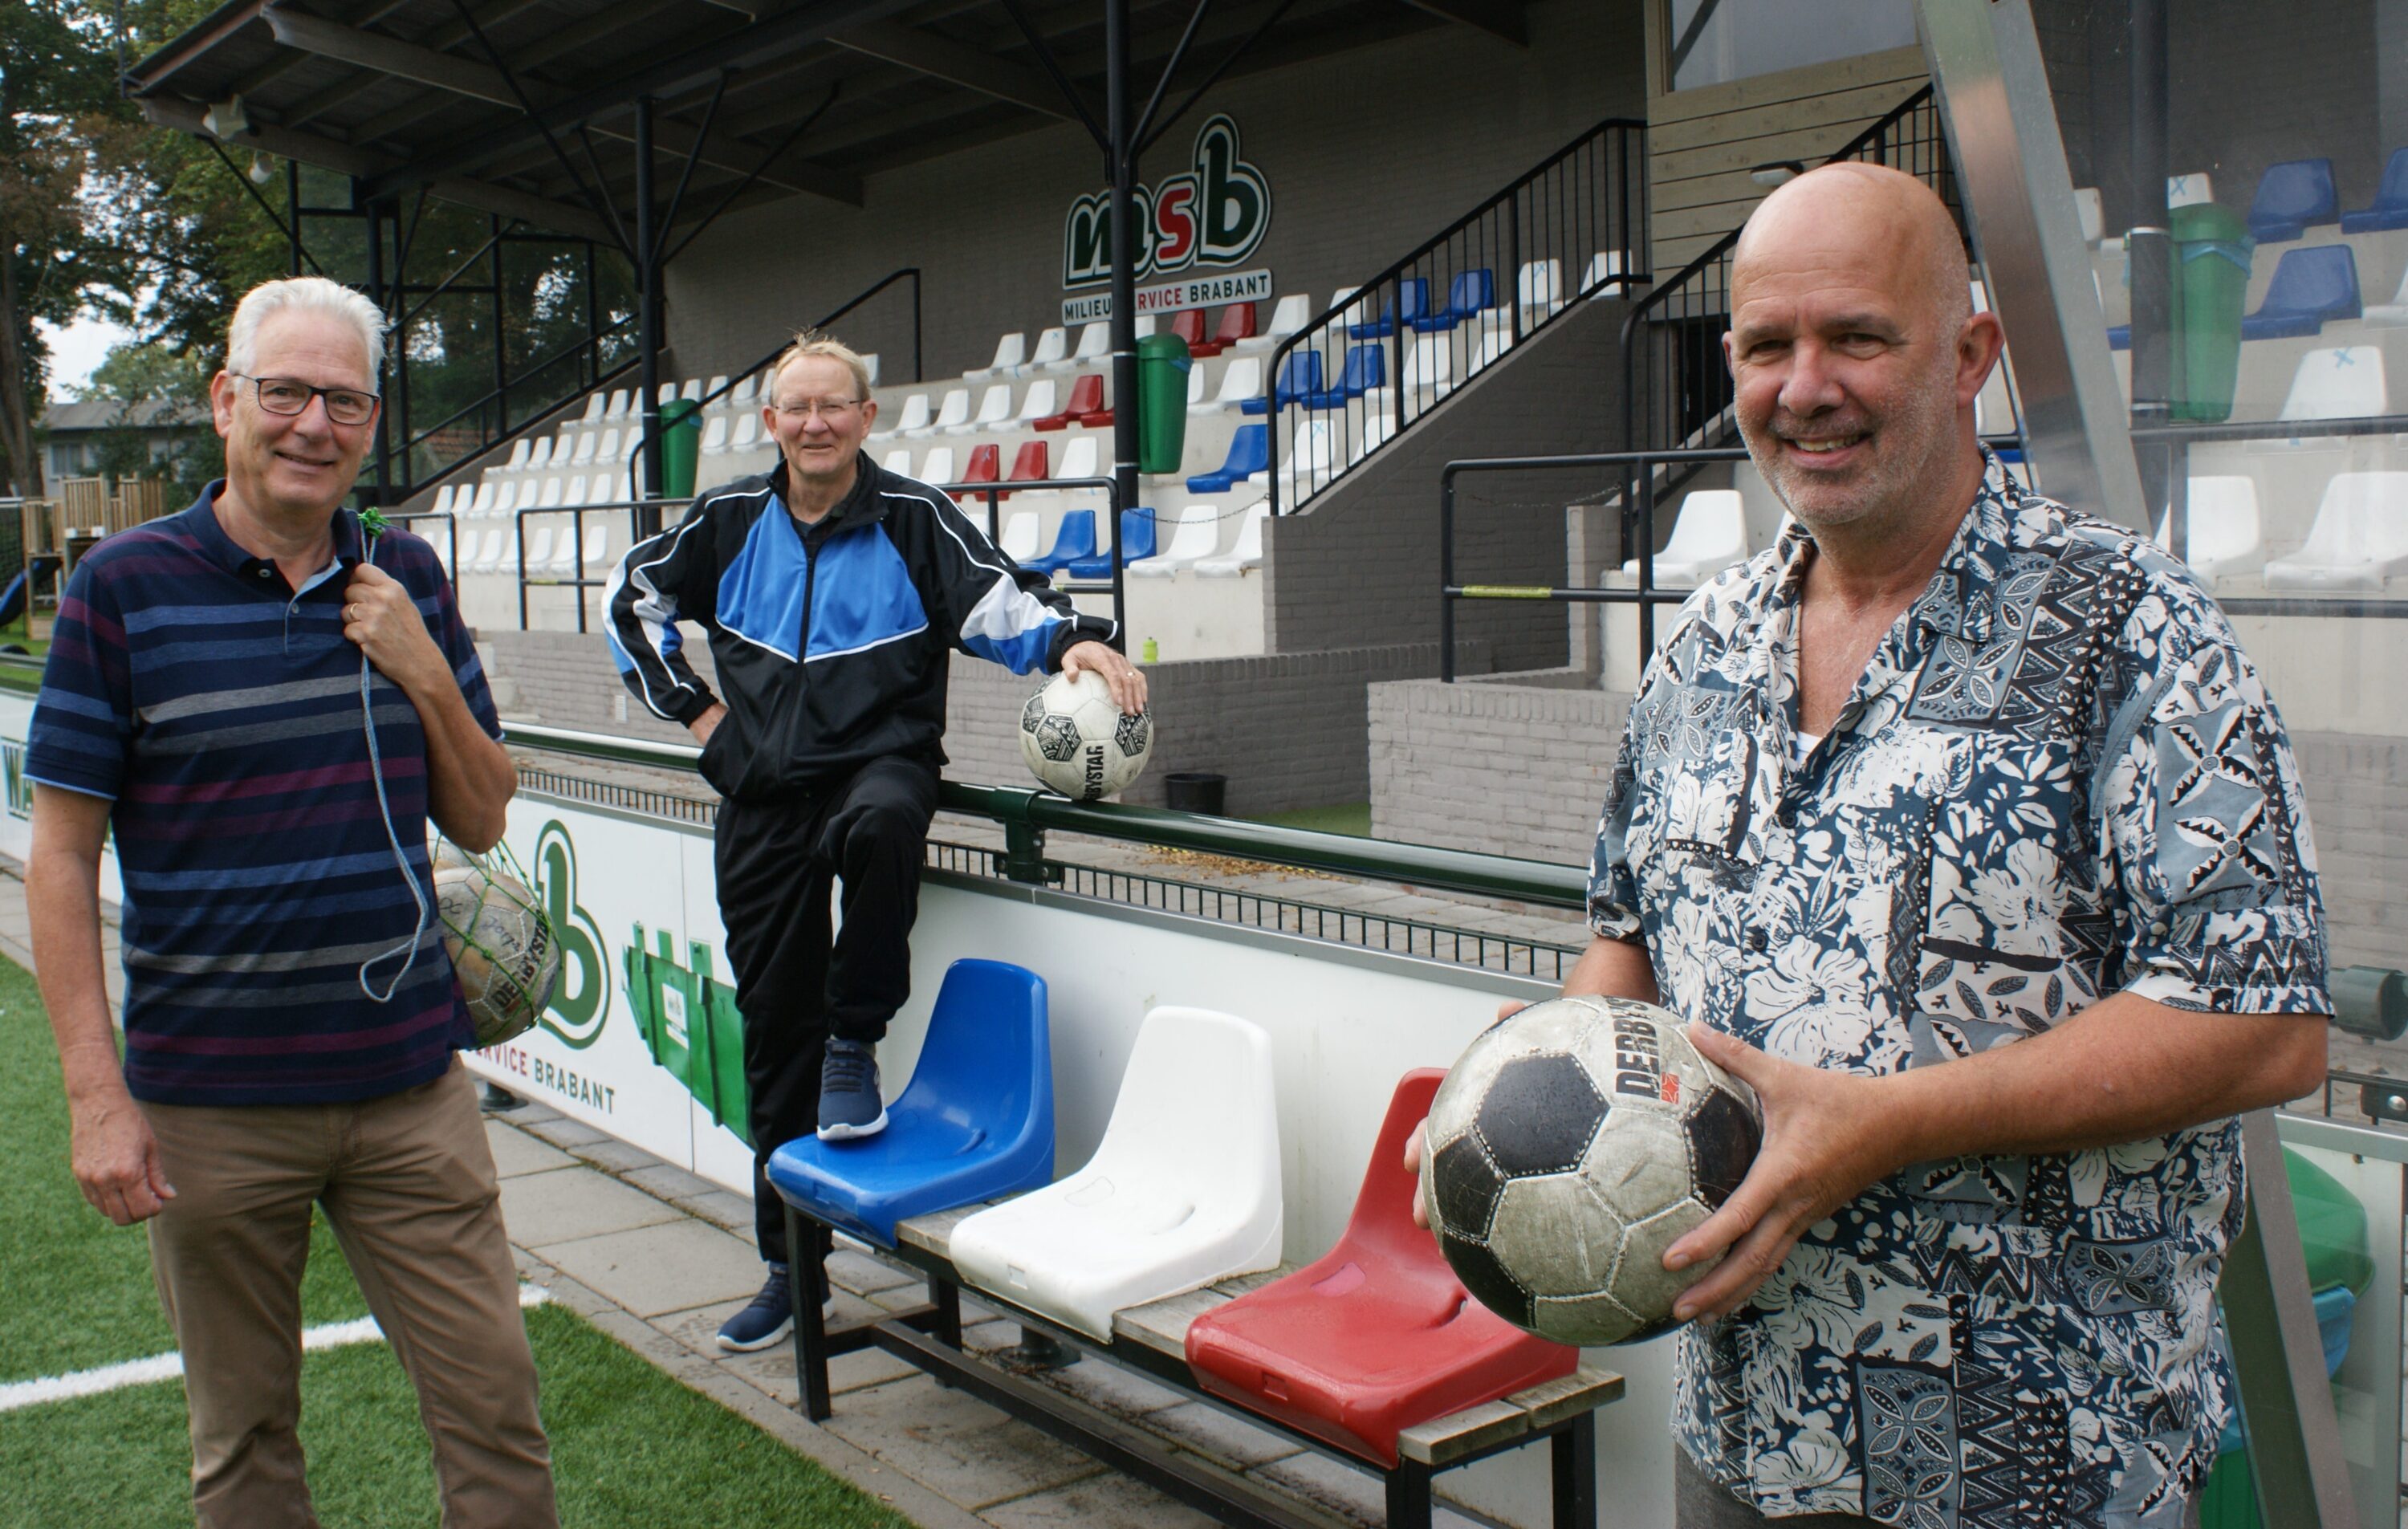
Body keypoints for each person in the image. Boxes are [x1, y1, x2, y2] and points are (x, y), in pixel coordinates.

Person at [1421, 163, 2329, 1527]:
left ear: (1969, 357)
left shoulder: (2130, 628)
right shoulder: (1704, 646)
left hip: (2038, 1466)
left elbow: (2265, 1022)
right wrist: (1558, 1062)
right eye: (1767, 346)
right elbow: (1625, 934)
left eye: (1856, 337)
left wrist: (1886, 1127)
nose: (1804, 387)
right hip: (1745, 1432)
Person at [26, 276, 555, 1527]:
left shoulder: (408, 573)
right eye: (286, 392)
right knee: (246, 1440)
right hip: (211, 1104)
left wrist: (425, 672)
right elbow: (60, 855)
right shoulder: (126, 589)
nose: (314, 424)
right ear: (227, 402)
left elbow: (480, 817)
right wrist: (98, 1098)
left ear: (372, 422)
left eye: (345, 400)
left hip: (408, 1088)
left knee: (495, 1413)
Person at [605, 331, 1145, 1352]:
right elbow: (629, 603)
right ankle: (788, 1268)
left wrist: (1074, 639)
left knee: (886, 820)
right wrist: (702, 720)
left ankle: (857, 1034)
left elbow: (1001, 602)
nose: (815, 424)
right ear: (771, 423)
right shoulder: (725, 521)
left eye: (834, 406)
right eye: (796, 409)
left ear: (867, 416)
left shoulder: (915, 518)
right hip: (760, 791)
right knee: (770, 1027)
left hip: (880, 762)